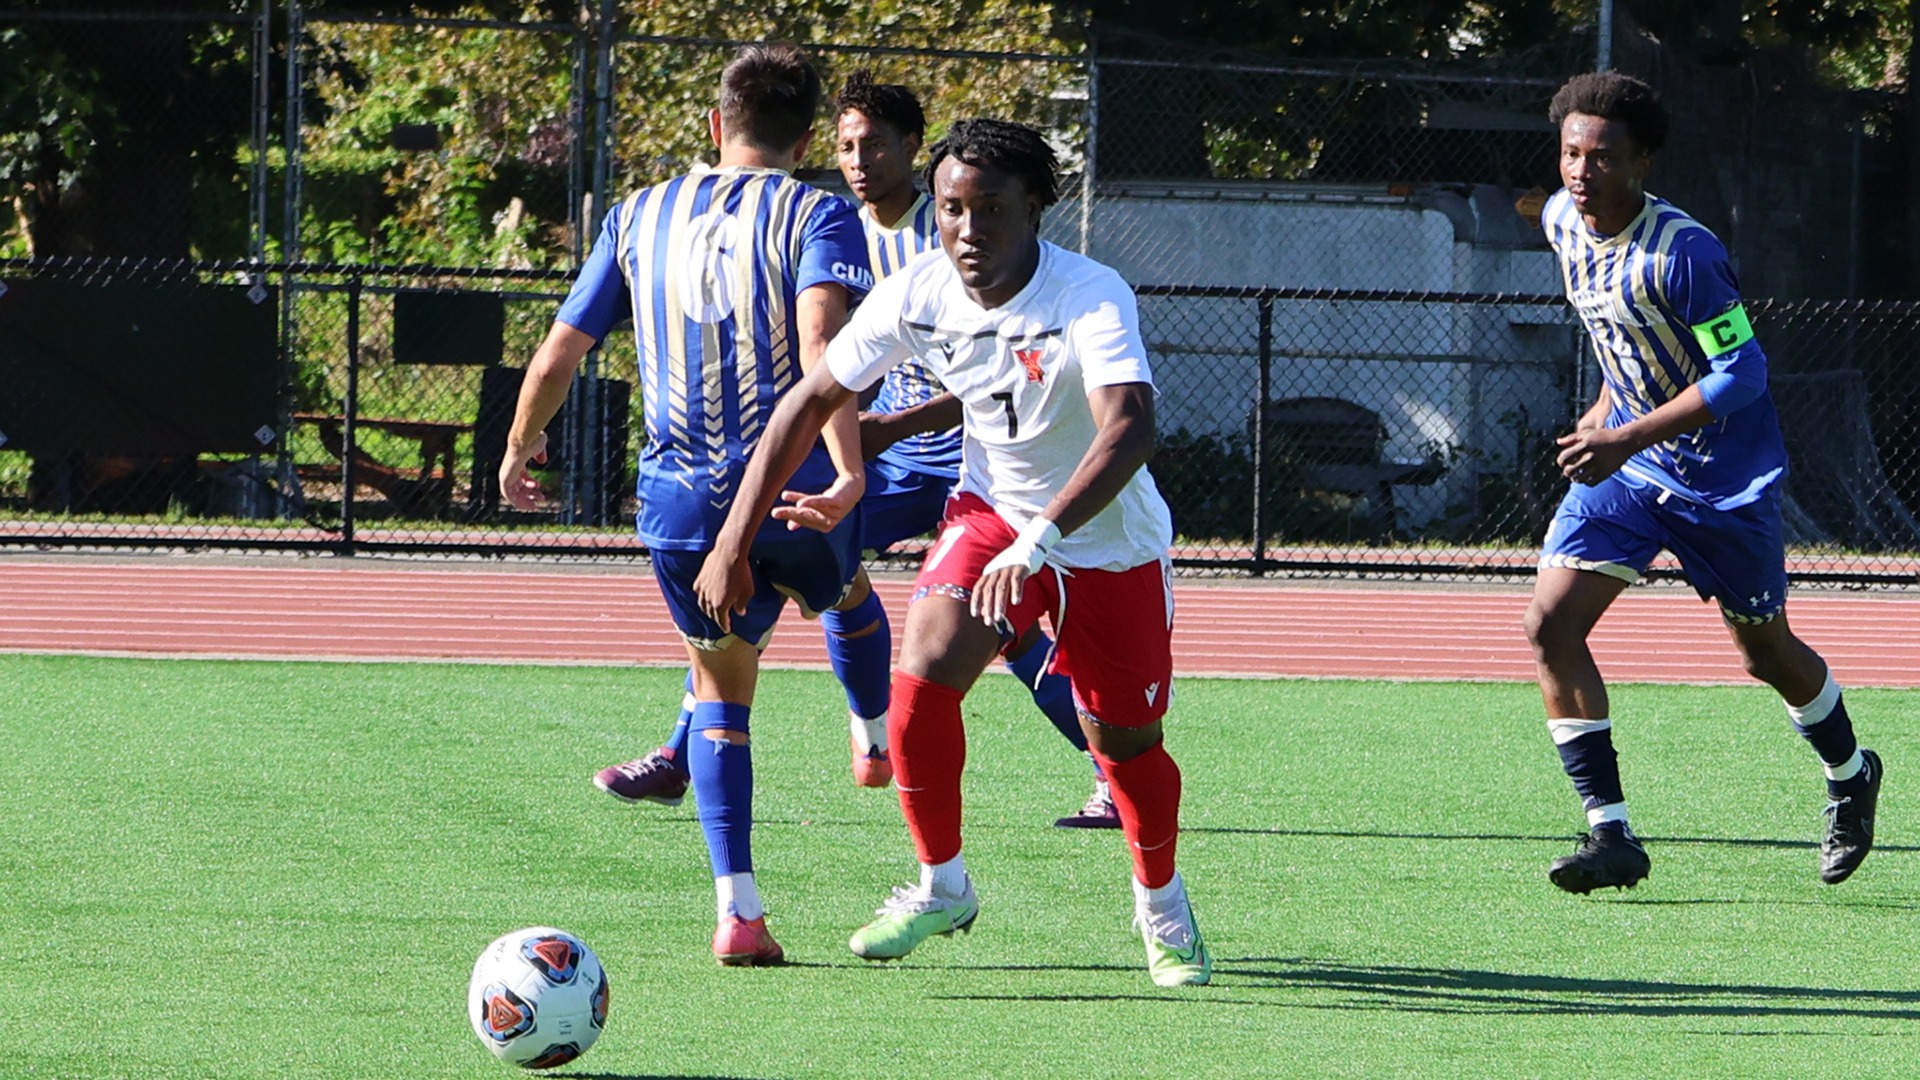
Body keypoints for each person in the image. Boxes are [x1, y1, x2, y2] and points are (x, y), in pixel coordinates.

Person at [693, 118, 1211, 987]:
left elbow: (1129, 427)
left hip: (1106, 538)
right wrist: (732, 540)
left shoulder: (1090, 293)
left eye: (991, 209)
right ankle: (943, 886)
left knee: (1123, 743)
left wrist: (1041, 540)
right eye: (950, 210)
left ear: (1034, 208)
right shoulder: (918, 291)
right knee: (921, 681)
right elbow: (809, 402)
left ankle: (1162, 906)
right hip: (990, 514)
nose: (968, 231)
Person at [591, 71, 1120, 828]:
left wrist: (889, 428)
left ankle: (1109, 771)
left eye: (873, 144)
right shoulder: (833, 225)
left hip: (973, 462)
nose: (858, 160)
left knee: (996, 619)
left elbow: (1007, 366)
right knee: (782, 553)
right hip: (891, 461)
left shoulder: (953, 230)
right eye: (845, 146)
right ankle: (708, 747)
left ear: (913, 149)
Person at [500, 42, 875, 966]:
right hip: (790, 492)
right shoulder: (820, 210)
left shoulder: (638, 214)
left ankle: (737, 911)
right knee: (849, 593)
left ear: (715, 124)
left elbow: (560, 351)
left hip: (682, 507)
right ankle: (872, 737)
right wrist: (847, 469)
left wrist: (518, 445)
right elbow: (821, 344)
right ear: (807, 141)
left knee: (720, 689)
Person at [1527, 71, 1882, 894]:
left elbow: (1741, 374)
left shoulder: (1683, 253)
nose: (1581, 171)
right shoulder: (1559, 221)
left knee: (1765, 654)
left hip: (1725, 482)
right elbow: (1621, 340)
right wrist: (1606, 416)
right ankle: (1611, 833)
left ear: (1643, 162)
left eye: (1602, 157)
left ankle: (1851, 772)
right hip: (1629, 469)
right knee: (1549, 625)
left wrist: (1623, 434)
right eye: (1571, 153)